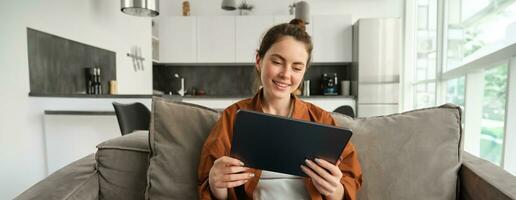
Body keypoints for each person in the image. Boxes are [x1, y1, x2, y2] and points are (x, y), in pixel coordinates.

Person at [198, 19, 362, 200]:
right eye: (277, 62)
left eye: (297, 67)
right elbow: (210, 187)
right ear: (259, 60)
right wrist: (216, 183)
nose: (286, 74)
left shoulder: (321, 120)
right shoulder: (233, 117)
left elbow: (349, 182)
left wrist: (334, 190)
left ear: (303, 72)